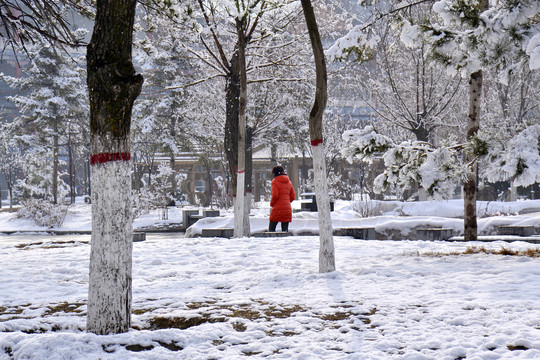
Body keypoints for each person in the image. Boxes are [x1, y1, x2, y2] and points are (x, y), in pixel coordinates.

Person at [269, 165, 295, 232]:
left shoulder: (274, 182)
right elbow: (293, 196)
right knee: (285, 231)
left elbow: (275, 195)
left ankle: (272, 242)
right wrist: (287, 202)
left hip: (277, 209)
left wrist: (272, 204)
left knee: (271, 230)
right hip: (287, 209)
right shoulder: (289, 182)